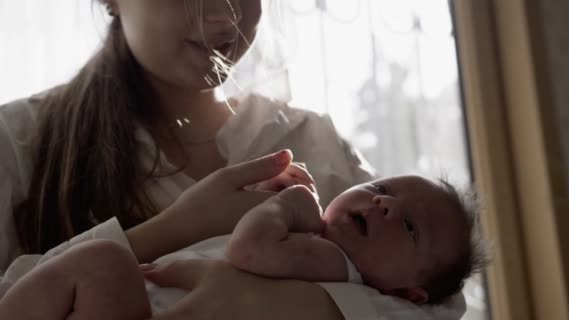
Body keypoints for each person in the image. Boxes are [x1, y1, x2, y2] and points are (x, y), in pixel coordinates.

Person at [0, 0, 468, 319]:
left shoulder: (312, 140)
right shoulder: (17, 143)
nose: (227, 13)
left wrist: (303, 307)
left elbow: (441, 302)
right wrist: (173, 229)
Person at [0, 173, 486, 319]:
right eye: (381, 190)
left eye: (408, 229)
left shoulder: (334, 263)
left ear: (411, 293)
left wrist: (288, 207)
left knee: (101, 262)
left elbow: (248, 252)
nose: (384, 208)